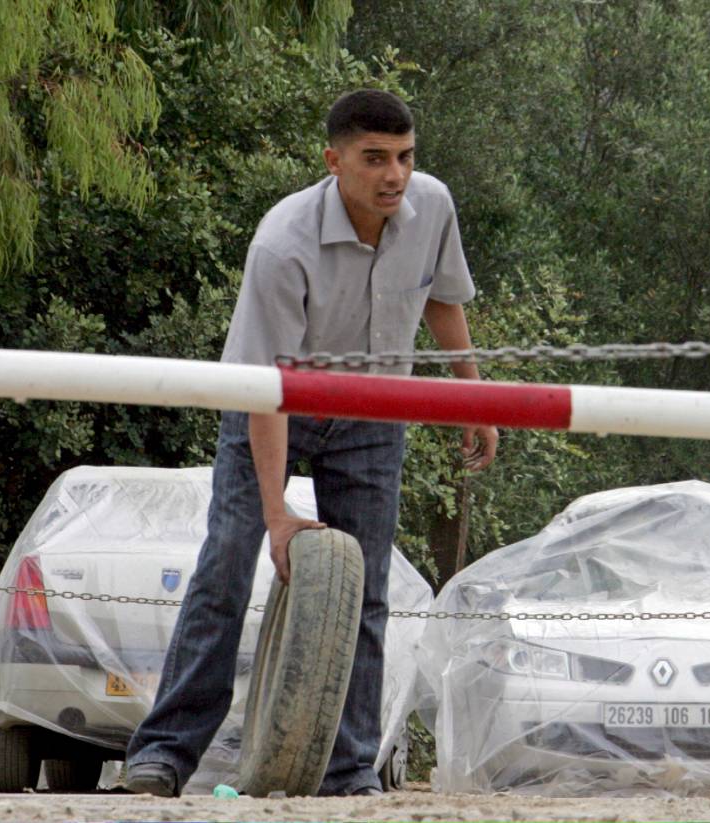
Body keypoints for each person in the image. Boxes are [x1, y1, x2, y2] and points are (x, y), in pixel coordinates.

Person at [123, 89, 498, 798]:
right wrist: (277, 518)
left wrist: (472, 397)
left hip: (374, 412)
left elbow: (443, 297)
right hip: (271, 401)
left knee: (367, 591)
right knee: (227, 568)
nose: (395, 175)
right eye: (375, 159)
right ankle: (164, 753)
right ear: (334, 162)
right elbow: (267, 390)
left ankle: (347, 768)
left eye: (406, 157)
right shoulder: (282, 242)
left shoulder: (433, 207)